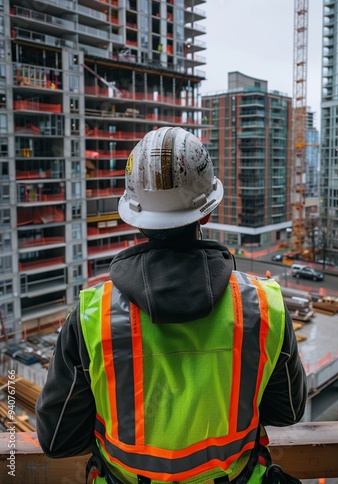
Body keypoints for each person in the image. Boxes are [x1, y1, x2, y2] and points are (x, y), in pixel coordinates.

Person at [36, 127, 307, 484]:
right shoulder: (263, 306)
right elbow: (286, 411)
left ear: (135, 218)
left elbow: (58, 440)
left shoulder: (92, 318)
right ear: (207, 213)